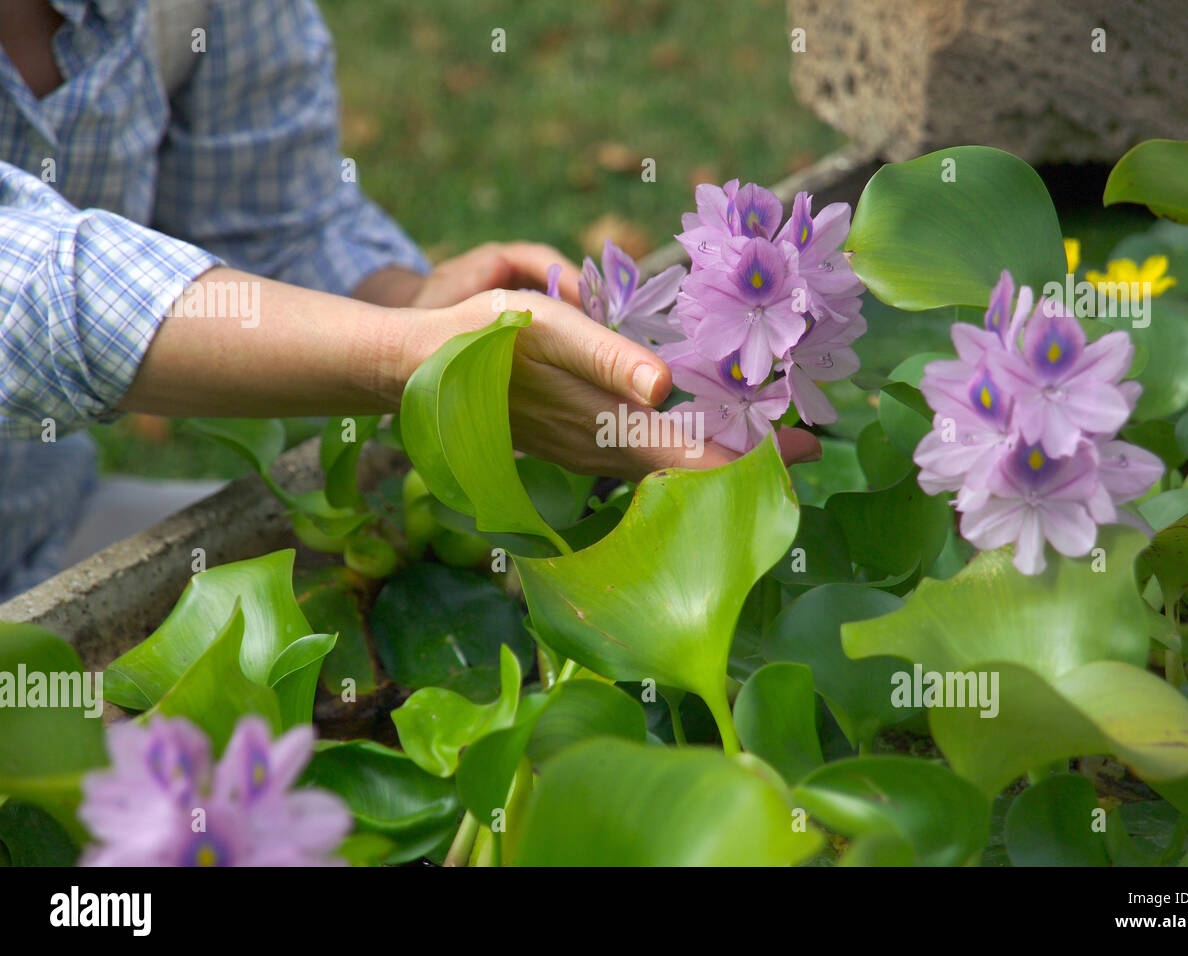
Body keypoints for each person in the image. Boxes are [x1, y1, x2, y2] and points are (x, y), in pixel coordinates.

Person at [0, 0, 819, 600]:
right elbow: (31, 292)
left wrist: (413, 304)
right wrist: (413, 362)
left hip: (49, 526)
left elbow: (275, 216)